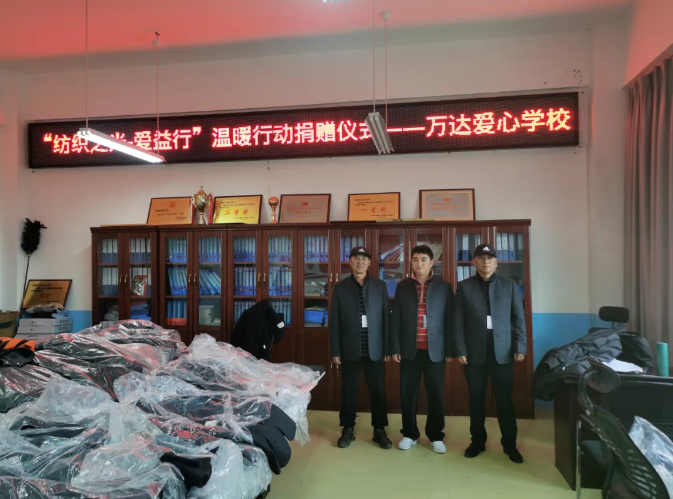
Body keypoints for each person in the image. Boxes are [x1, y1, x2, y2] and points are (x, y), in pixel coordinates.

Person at [452, 243, 526, 463]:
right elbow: (457, 321)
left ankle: (510, 444)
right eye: (481, 258)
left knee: (504, 401)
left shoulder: (509, 285)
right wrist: (460, 349)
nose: (485, 262)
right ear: (474, 262)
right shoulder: (464, 287)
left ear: (496, 262)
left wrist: (520, 346)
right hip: (474, 355)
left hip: (503, 353)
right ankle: (477, 442)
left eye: (489, 258)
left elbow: (518, 318)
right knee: (476, 400)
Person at [390, 245, 454, 454]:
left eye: (424, 259)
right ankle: (409, 434)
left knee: (436, 394)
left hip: (435, 350)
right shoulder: (403, 286)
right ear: (411, 262)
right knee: (408, 394)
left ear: (432, 262)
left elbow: (450, 318)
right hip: (410, 350)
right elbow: (396, 317)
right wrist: (395, 347)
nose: (419, 264)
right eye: (415, 259)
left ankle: (436, 435)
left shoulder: (444, 287)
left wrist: (450, 349)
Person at [329, 245, 392, 449]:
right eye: (356, 258)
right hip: (350, 349)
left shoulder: (380, 286)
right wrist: (335, 350)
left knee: (378, 391)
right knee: (349, 391)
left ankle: (379, 430)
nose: (360, 262)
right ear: (350, 262)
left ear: (369, 263)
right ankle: (347, 429)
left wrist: (387, 348)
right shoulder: (340, 287)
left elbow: (386, 318)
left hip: (375, 349)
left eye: (364, 259)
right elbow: (335, 320)